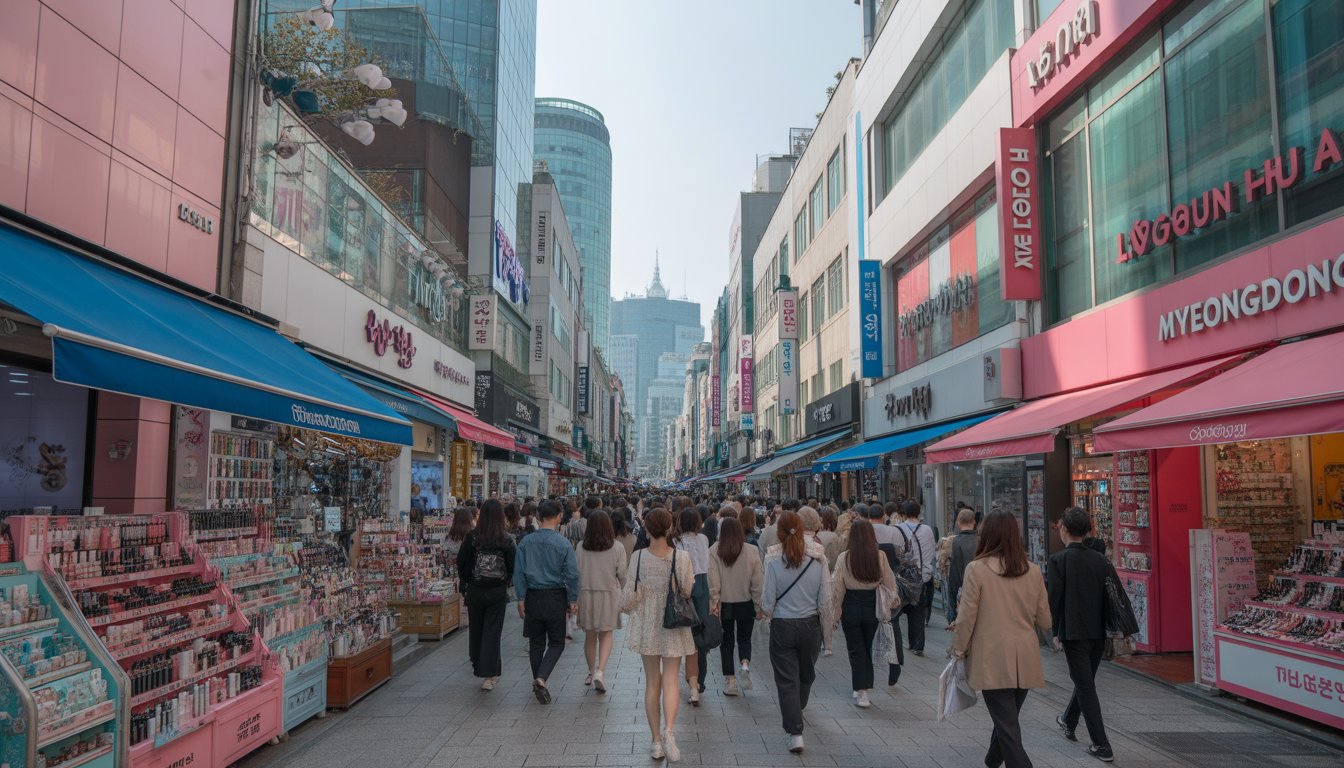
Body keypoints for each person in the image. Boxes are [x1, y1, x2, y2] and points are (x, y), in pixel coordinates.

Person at [951, 510, 1053, 768]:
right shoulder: (1032, 570)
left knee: (1007, 724)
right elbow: (1045, 622)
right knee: (1008, 718)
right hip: (1025, 658)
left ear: (986, 535)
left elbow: (966, 618)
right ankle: (993, 758)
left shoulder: (977, 569)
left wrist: (958, 650)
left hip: (992, 658)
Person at [622, 508, 696, 762]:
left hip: (647, 625)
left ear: (646, 529)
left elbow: (629, 597)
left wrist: (628, 606)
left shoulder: (638, 558)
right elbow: (687, 590)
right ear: (669, 529)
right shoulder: (682, 558)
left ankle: (655, 741)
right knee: (671, 681)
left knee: (653, 681)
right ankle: (669, 733)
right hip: (673, 624)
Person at [762, 510, 831, 754]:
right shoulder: (818, 559)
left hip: (782, 624)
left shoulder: (772, 559)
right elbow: (825, 600)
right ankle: (798, 706)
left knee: (786, 679)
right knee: (806, 673)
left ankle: (795, 732)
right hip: (811, 625)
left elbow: (767, 601)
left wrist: (767, 614)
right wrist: (828, 632)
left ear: (779, 533)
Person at [1048, 507, 1114, 762]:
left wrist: (1055, 631)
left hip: (1073, 633)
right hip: (1098, 632)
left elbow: (1055, 600)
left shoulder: (1058, 560)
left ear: (1064, 529)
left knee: (1086, 686)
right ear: (1087, 531)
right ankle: (1068, 720)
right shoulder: (1100, 560)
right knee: (1085, 681)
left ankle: (1102, 744)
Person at [513, 499, 580, 704]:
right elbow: (572, 574)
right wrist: (573, 599)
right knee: (557, 642)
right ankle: (541, 678)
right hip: (554, 596)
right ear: (560, 515)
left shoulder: (526, 542)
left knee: (536, 642)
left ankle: (538, 679)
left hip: (533, 595)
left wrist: (521, 598)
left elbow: (519, 572)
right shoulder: (563, 543)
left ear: (539, 516)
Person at [831, 519, 898, 709]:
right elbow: (889, 583)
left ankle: (861, 690)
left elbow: (837, 589)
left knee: (855, 649)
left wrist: (834, 615)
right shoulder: (880, 556)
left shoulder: (844, 557)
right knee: (868, 646)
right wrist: (892, 602)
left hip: (850, 605)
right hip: (873, 605)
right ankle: (865, 685)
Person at [457, 499, 515, 691]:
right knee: (492, 632)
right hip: (497, 591)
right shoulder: (505, 539)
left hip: (475, 589)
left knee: (477, 629)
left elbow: (462, 562)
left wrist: (466, 582)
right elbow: (512, 566)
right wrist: (507, 581)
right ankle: (489, 675)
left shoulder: (472, 537)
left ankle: (477, 663)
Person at [708, 516, 763, 697]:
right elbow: (758, 583)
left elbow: (713, 582)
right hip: (746, 603)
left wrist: (714, 603)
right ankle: (745, 665)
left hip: (725, 604)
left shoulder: (715, 550)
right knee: (745, 639)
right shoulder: (752, 551)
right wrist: (758, 606)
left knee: (727, 641)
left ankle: (730, 681)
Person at [577, 510, 627, 694]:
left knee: (590, 635)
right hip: (609, 594)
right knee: (606, 634)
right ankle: (600, 671)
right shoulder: (617, 547)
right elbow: (622, 575)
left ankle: (591, 671)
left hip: (586, 593)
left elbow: (577, 571)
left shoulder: (581, 546)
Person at [675, 508, 711, 704]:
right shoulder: (704, 539)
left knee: (686, 638)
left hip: (685, 589)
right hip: (703, 587)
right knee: (700, 636)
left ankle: (692, 681)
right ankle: (699, 681)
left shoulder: (677, 542)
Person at [894, 500, 937, 655]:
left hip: (903, 577)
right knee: (918, 612)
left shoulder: (897, 529)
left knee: (897, 612)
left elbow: (896, 553)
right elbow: (932, 550)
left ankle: (896, 642)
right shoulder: (927, 530)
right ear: (919, 513)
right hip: (922, 576)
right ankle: (917, 645)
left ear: (903, 514)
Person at [946, 507, 979, 625]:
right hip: (980, 588)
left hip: (964, 590)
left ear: (958, 522)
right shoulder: (980, 540)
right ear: (974, 522)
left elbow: (954, 572)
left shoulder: (956, 542)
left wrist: (952, 608)